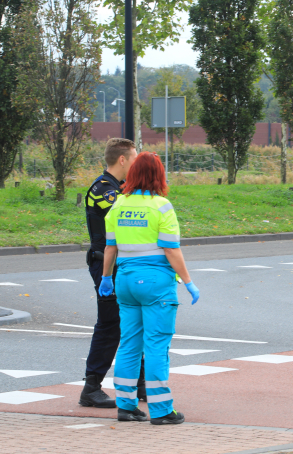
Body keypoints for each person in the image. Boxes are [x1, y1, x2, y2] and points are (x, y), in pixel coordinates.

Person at [100, 152, 201, 425]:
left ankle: (126, 406)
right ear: (159, 175)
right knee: (156, 346)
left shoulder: (118, 204)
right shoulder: (162, 206)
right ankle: (162, 410)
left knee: (129, 344)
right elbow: (171, 249)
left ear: (132, 174)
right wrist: (188, 282)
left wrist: (105, 278)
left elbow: (110, 247)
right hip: (156, 284)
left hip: (125, 282)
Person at [80, 138, 142, 409]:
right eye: (135, 157)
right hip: (106, 266)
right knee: (110, 325)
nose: (137, 162)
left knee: (135, 321)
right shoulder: (103, 190)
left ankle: (141, 384)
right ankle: (91, 387)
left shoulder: (121, 189)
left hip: (124, 265)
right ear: (123, 160)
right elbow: (125, 220)